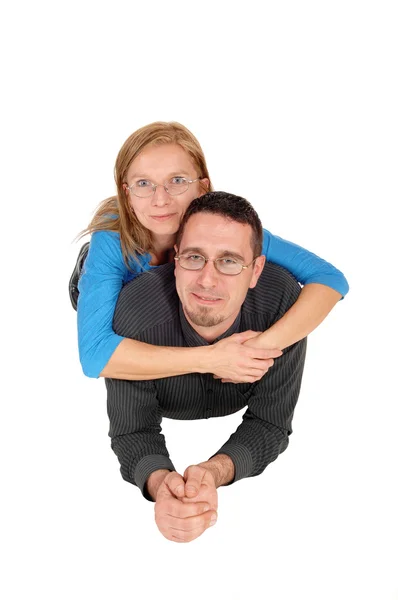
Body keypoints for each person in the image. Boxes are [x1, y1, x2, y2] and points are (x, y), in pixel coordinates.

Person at [72, 121, 348, 383]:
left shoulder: (225, 230)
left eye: (177, 181)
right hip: (133, 287)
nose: (160, 200)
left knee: (251, 268)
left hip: (185, 299)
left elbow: (329, 279)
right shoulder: (110, 240)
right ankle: (86, 275)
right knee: (126, 305)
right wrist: (212, 359)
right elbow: (94, 357)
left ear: (202, 187)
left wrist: (258, 348)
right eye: (143, 184)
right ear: (127, 193)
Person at [106, 192, 307, 543]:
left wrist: (213, 473)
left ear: (256, 270)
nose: (208, 280)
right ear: (175, 258)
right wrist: (160, 481)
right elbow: (133, 430)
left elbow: (271, 421)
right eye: (195, 257)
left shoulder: (282, 303)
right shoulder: (134, 311)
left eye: (229, 261)